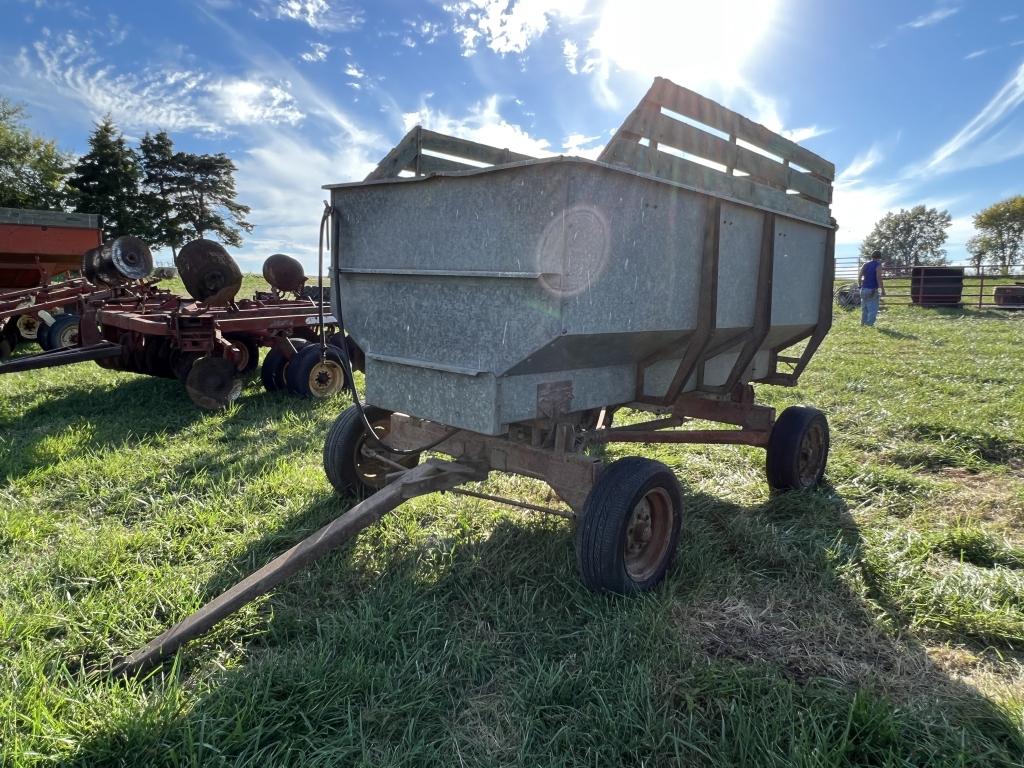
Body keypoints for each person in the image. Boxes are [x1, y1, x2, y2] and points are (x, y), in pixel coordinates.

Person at [859, 250, 886, 326]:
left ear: (872, 256)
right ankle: (869, 325)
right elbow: (878, 278)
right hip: (872, 289)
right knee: (873, 309)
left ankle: (863, 324)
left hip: (863, 289)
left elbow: (859, 276)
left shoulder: (865, 264)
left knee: (864, 309)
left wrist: (859, 286)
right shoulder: (878, 265)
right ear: (879, 257)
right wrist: (883, 290)